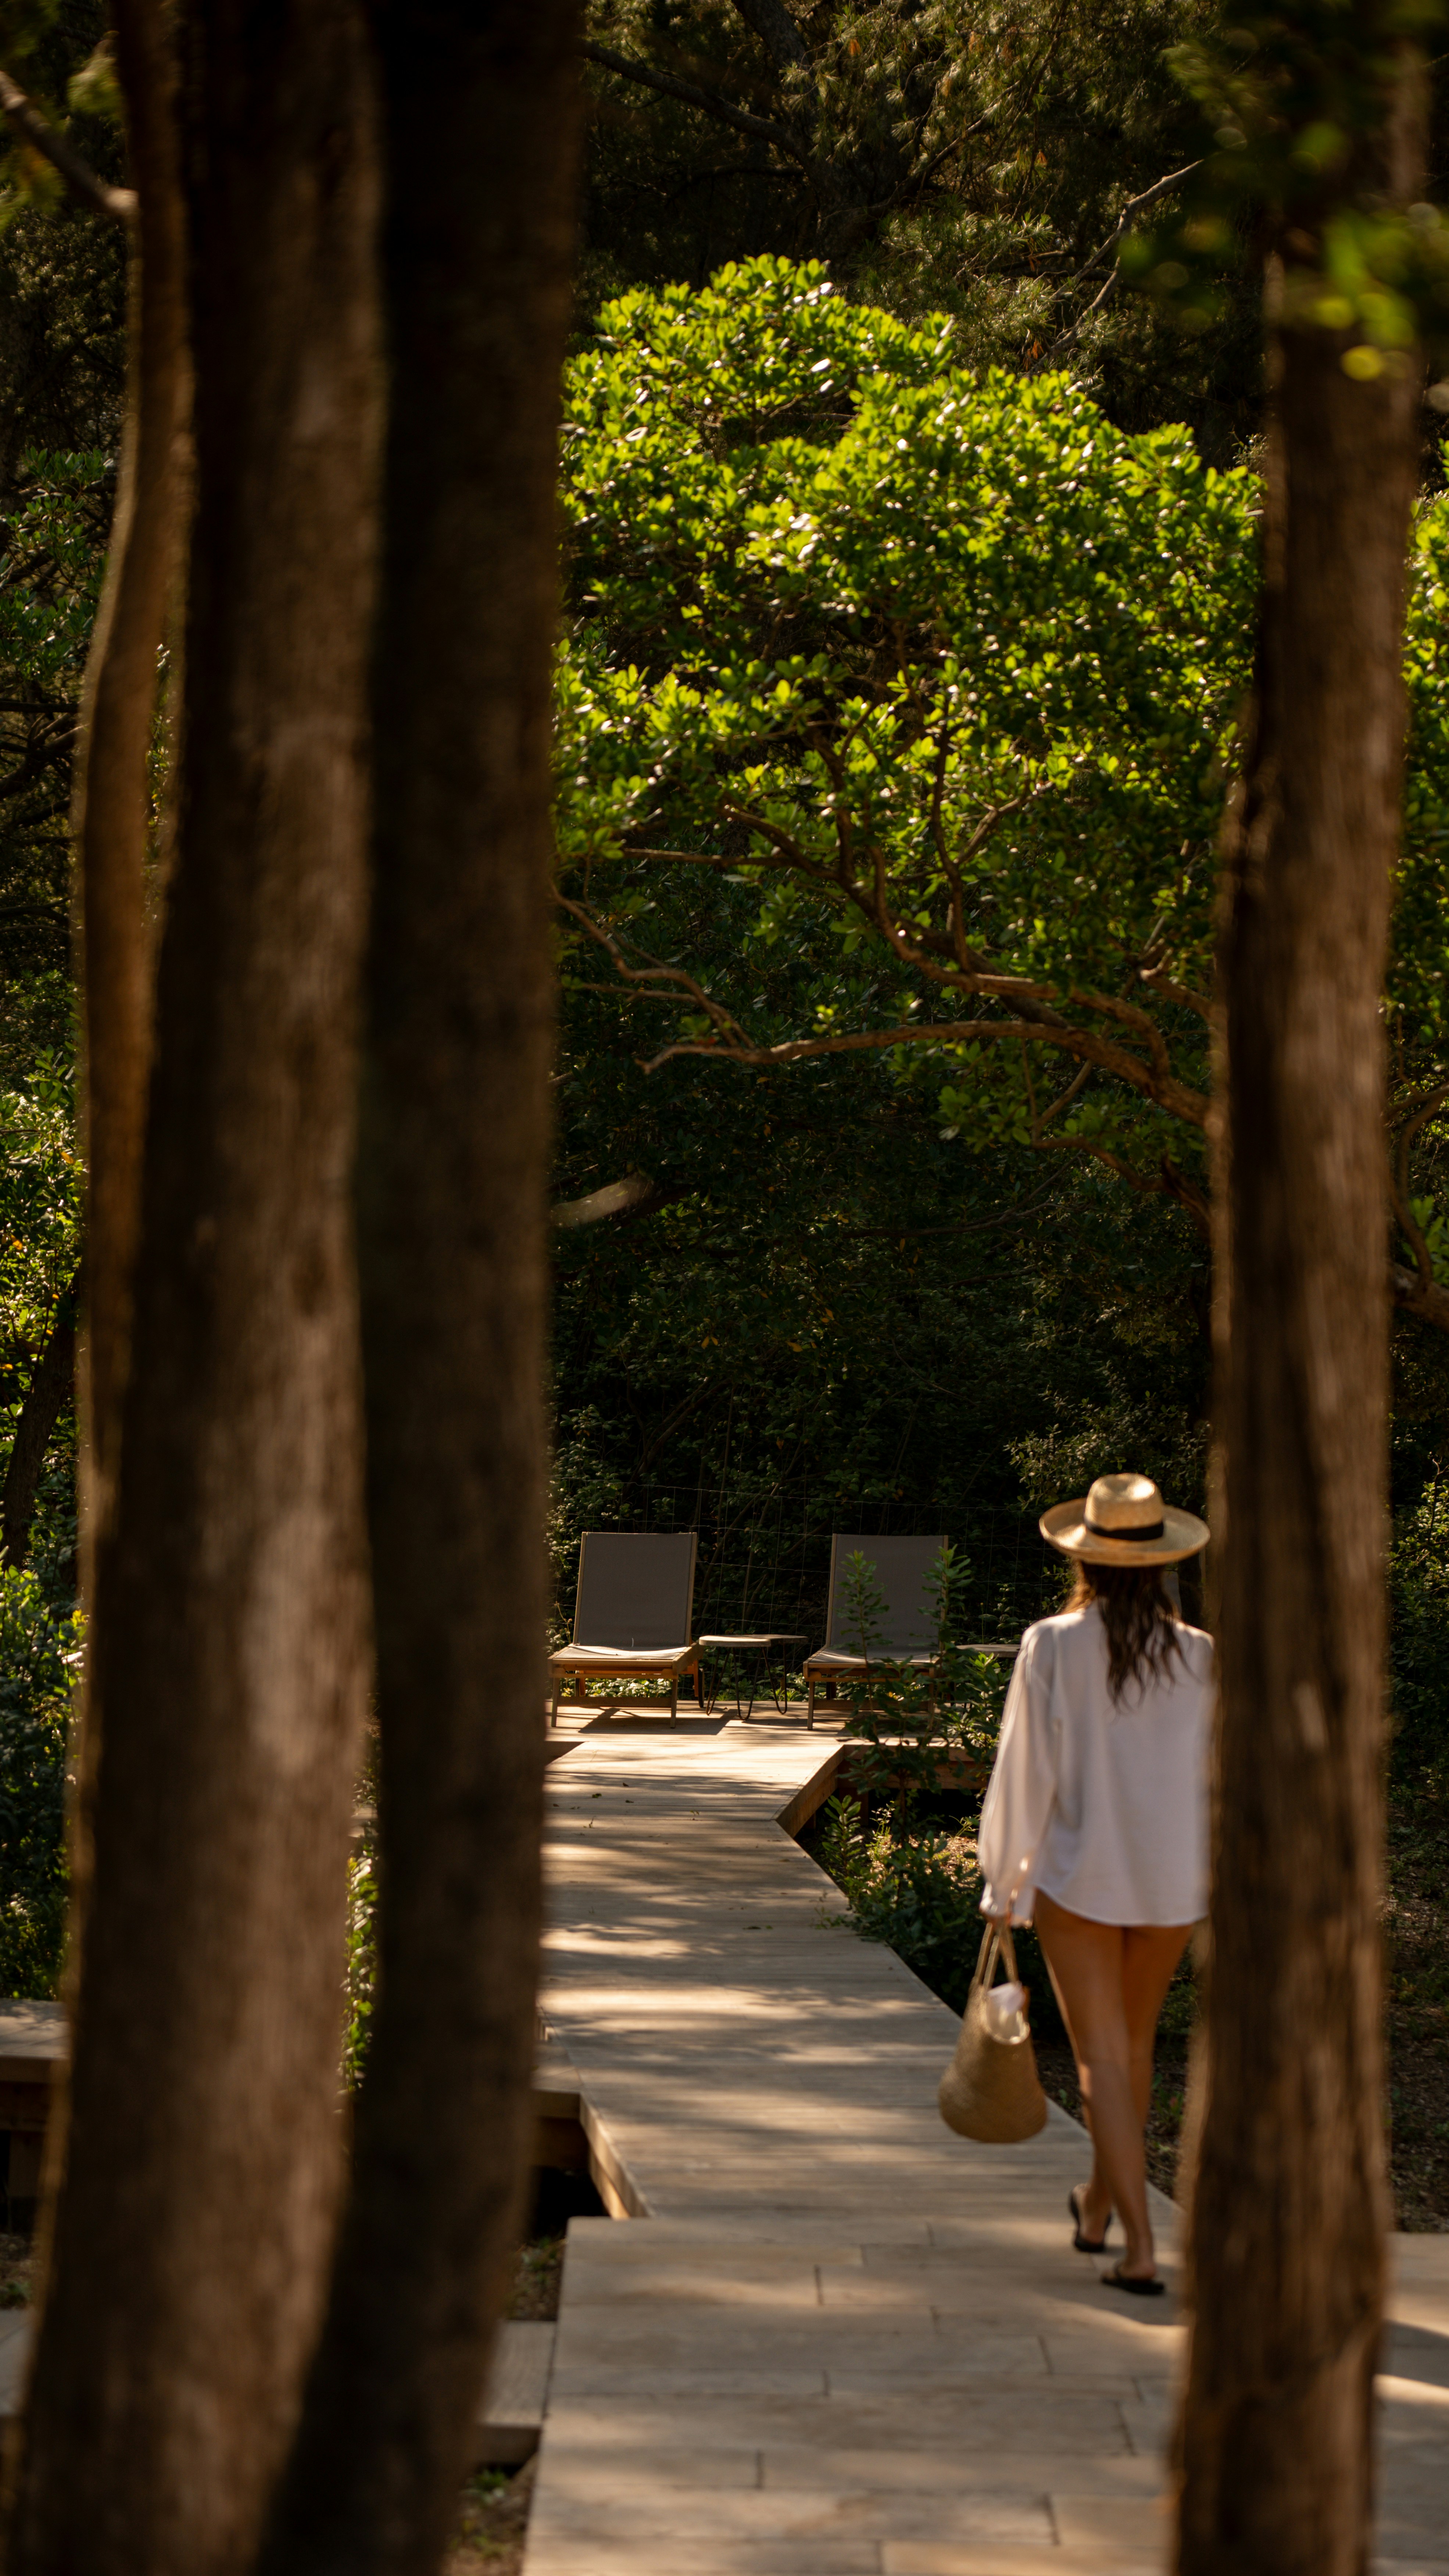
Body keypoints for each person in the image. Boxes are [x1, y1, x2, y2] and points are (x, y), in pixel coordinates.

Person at [977, 1470, 1212, 2296]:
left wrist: (1003, 1880)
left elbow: (1023, 1773)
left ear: (1085, 1558)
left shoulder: (1055, 1643)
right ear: (1160, 1561)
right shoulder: (1201, 1656)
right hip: (1171, 1881)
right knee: (1133, 2051)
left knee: (1100, 2060)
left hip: (1081, 1877)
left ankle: (1142, 2248)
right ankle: (1095, 2207)